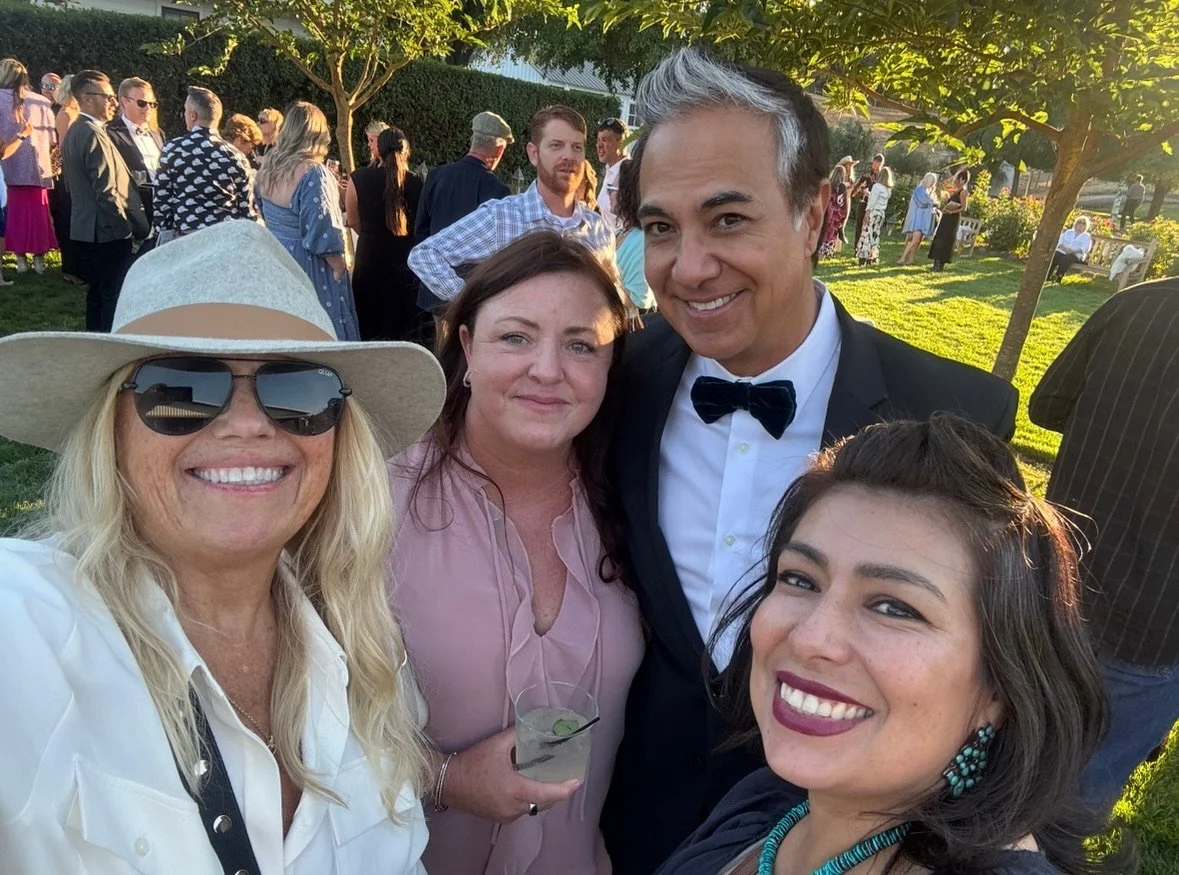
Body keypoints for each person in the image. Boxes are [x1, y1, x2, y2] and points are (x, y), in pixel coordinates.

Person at [600, 49, 1019, 875]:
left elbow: (983, 649)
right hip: (631, 813)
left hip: (842, 835)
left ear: (815, 213)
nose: (686, 267)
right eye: (659, 228)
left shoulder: (956, 412)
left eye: (727, 220)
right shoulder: (619, 380)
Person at [0, 218, 446, 874]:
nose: (246, 425)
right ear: (111, 427)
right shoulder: (28, 627)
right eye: (182, 387)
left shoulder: (365, 658)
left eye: (295, 389)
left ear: (335, 434)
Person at [656, 415, 1128, 875]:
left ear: (1001, 689)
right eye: (800, 579)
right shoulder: (766, 802)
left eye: (894, 608)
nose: (810, 638)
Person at [388, 230, 642, 874]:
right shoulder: (376, 503)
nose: (548, 369)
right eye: (515, 337)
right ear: (467, 348)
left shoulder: (637, 502)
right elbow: (289, 720)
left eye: (581, 345)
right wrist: (445, 778)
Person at [1028, 277, 1179, 818]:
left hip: (1051, 578)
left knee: (1002, 745)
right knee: (1076, 800)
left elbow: (1047, 406)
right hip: (1154, 622)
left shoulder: (1134, 304)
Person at [408, 105, 614, 306]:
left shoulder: (599, 229)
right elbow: (425, 255)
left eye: (576, 147)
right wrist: (475, 305)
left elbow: (613, 290)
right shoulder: (503, 217)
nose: (568, 156)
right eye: (556, 145)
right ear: (534, 154)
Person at [256, 101, 360, 342]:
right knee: (320, 335)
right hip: (309, 266)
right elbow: (324, 232)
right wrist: (339, 268)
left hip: (275, 259)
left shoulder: (268, 168)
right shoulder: (313, 172)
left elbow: (262, 212)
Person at [59, 70, 148, 332]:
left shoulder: (78, 131)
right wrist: (125, 231)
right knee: (112, 296)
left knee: (97, 295)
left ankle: (94, 340)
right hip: (106, 231)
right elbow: (106, 191)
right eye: (107, 97)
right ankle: (108, 346)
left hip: (89, 229)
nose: (113, 102)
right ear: (86, 99)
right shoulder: (91, 133)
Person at [413, 111, 514, 319]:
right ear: (499, 150)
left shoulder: (436, 175)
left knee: (440, 348)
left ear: (472, 141)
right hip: (473, 293)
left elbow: (420, 230)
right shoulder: (497, 190)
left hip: (434, 284)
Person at [345, 127, 423, 341]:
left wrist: (370, 233)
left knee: (368, 325)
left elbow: (352, 220)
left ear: (377, 151)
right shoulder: (417, 182)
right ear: (406, 151)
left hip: (370, 257)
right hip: (404, 261)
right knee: (400, 328)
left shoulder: (359, 178)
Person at [155, 86, 258, 241]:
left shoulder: (173, 151)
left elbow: (162, 204)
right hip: (225, 240)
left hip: (185, 240)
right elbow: (247, 210)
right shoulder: (236, 156)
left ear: (193, 115)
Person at [0, 58, 58, 275]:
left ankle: (20, 257)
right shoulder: (40, 102)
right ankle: (40, 258)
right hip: (36, 165)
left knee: (14, 213)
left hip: (7, 166)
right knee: (37, 213)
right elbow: (52, 138)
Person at [107, 77, 164, 233]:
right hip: (134, 209)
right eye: (142, 103)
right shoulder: (111, 133)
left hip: (160, 207)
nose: (148, 109)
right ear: (125, 102)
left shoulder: (157, 134)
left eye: (152, 104)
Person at [49, 74, 83, 285]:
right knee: (67, 220)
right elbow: (64, 149)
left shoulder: (77, 113)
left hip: (75, 173)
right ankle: (70, 269)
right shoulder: (66, 114)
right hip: (66, 174)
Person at [612, 157, 655, 311]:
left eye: (612, 190)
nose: (609, 195)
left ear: (626, 194)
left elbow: (640, 299)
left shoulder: (642, 240)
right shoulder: (619, 232)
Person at [928, 169, 970, 272]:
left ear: (963, 180)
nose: (956, 181)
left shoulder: (963, 192)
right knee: (940, 237)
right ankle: (936, 261)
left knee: (946, 239)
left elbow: (964, 208)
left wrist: (952, 212)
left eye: (958, 179)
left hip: (952, 218)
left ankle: (940, 264)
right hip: (946, 216)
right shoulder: (955, 191)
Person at [897, 171, 939, 265]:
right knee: (915, 240)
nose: (933, 183)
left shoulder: (928, 191)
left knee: (918, 241)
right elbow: (922, 202)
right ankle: (903, 258)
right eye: (932, 181)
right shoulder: (920, 190)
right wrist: (932, 202)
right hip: (918, 219)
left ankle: (911, 258)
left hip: (924, 219)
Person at [854, 165, 892, 265]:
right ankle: (873, 256)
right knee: (875, 234)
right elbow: (879, 199)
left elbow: (872, 202)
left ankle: (863, 257)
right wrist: (870, 194)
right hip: (881, 213)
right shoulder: (887, 190)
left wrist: (867, 212)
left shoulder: (877, 186)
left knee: (866, 233)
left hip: (873, 212)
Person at [595, 116, 627, 231]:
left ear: (621, 142)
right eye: (598, 140)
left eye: (605, 140)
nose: (599, 145)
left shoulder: (628, 173)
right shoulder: (610, 170)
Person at [849, 152, 883, 248]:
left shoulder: (882, 177)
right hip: (864, 203)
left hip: (875, 205)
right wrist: (861, 190)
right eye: (874, 165)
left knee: (870, 227)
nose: (876, 168)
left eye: (878, 166)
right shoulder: (866, 175)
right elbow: (855, 190)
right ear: (872, 163)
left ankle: (867, 248)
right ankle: (857, 248)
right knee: (859, 225)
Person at [1046, 216, 1094, 283]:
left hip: (1076, 255)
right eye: (1079, 222)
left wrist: (1073, 251)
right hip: (1063, 250)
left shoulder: (1087, 236)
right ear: (1075, 223)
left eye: (1084, 223)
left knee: (1066, 258)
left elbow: (1085, 248)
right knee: (1056, 255)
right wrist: (1065, 248)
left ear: (1086, 226)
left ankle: (1059, 276)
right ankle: (1047, 275)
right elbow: (1059, 242)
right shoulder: (1068, 232)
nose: (1081, 225)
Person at [816, 164, 848, 259]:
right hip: (835, 213)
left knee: (824, 231)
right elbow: (841, 201)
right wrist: (843, 215)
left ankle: (820, 250)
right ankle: (826, 251)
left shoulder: (829, 184)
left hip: (826, 210)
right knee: (831, 233)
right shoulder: (841, 186)